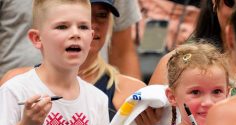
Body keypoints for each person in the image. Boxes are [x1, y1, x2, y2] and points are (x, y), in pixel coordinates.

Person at [0, 0, 141, 79]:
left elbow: (123, 52)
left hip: (99, 82)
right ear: (36, 38)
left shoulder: (99, 98)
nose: (76, 33)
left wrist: (134, 110)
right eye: (62, 26)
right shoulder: (14, 83)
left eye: (101, 15)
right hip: (21, 85)